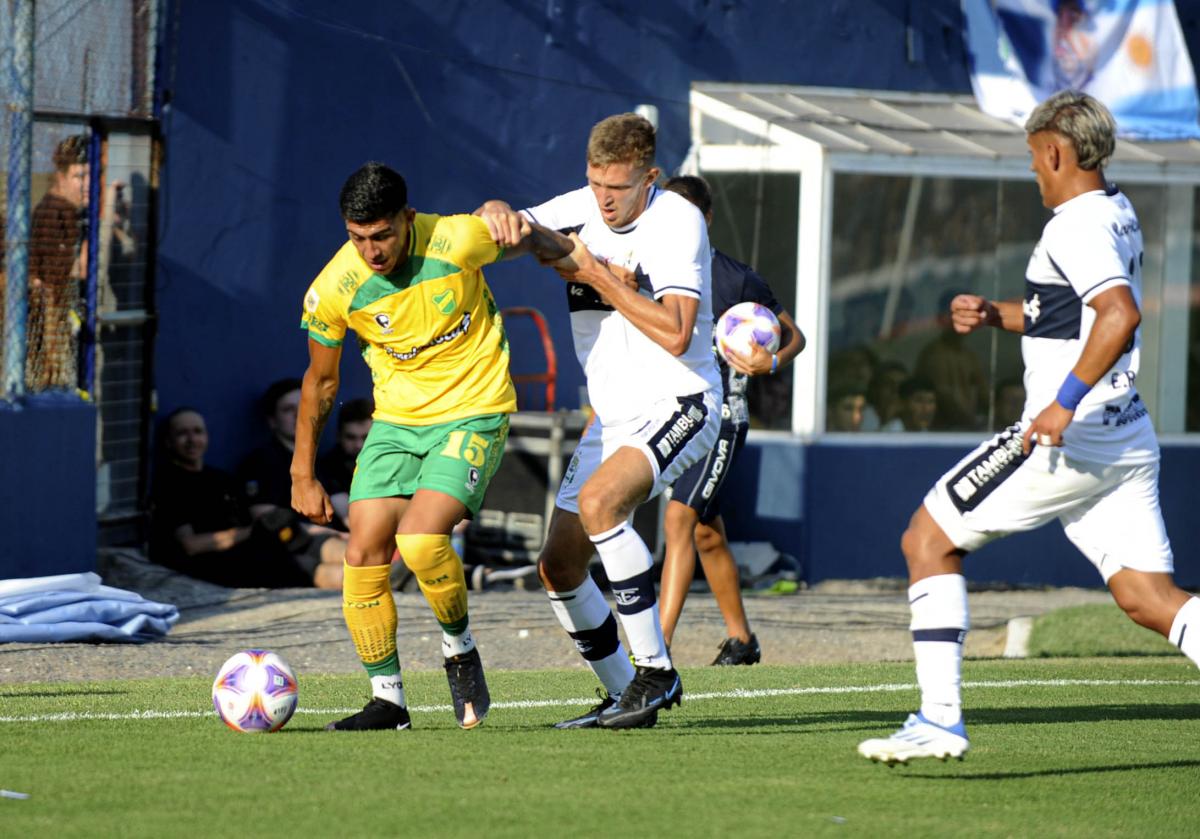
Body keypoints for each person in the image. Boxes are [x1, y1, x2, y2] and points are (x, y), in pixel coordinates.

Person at [859, 90, 1200, 764]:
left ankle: (939, 720)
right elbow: (1065, 311)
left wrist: (1063, 402)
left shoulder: (1074, 226)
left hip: (1068, 438)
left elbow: (1119, 315)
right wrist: (995, 314)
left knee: (927, 538)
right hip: (1125, 437)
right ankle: (937, 720)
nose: (1033, 172)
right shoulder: (1114, 209)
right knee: (1147, 596)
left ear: (1055, 151)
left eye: (1033, 159)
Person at [291, 162, 575, 732]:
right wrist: (303, 472)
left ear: (408, 218)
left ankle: (459, 649)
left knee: (420, 542)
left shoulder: (458, 239)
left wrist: (526, 226)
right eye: (357, 237)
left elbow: (538, 242)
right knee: (362, 550)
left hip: (474, 412)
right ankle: (389, 701)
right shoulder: (335, 289)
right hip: (395, 424)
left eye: (382, 235)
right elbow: (320, 383)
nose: (371, 250)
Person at [478, 112, 722, 729]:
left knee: (601, 504)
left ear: (651, 177)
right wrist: (497, 210)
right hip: (612, 418)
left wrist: (594, 274)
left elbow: (676, 333)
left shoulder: (676, 221)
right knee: (558, 566)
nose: (604, 201)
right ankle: (625, 696)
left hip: (683, 400)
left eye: (618, 187)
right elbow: (513, 231)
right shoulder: (582, 205)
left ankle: (656, 673)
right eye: (595, 184)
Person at [655, 174, 806, 665]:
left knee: (679, 520)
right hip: (672, 415)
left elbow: (794, 335)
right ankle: (741, 640)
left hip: (721, 417)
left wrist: (774, 361)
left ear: (707, 219)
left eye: (689, 216)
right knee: (703, 530)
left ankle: (654, 652)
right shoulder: (650, 269)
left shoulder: (736, 278)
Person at [150, 408, 339, 589]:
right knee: (321, 571)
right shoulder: (169, 483)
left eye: (197, 431)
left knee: (331, 551)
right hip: (223, 563)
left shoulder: (220, 478)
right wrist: (253, 531)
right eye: (182, 433)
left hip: (262, 548)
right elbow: (191, 545)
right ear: (168, 442)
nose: (192, 440)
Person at [237, 378, 347, 589]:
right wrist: (335, 534)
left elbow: (344, 507)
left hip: (336, 541)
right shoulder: (261, 462)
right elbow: (269, 521)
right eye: (289, 410)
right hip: (293, 545)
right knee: (356, 571)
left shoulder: (320, 462)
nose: (299, 414)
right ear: (272, 421)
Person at [27, 135, 89, 392]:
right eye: (78, 177)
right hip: (53, 319)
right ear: (61, 177)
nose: (86, 185)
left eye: (90, 176)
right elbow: (77, 270)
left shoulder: (71, 211)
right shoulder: (54, 212)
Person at [915, 289, 988, 430]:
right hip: (943, 433)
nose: (966, 319)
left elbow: (984, 394)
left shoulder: (969, 356)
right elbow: (943, 396)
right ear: (943, 318)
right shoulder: (934, 355)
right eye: (959, 314)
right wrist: (972, 424)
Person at [316, 397, 373, 531]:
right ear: (338, 436)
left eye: (366, 437)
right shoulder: (327, 466)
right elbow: (350, 518)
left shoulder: (394, 459)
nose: (359, 445)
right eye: (351, 437)